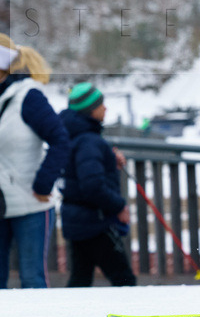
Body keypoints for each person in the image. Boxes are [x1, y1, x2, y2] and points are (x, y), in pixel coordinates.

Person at [0, 36, 69, 289]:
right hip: (1, 202)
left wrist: (43, 185)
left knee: (32, 280)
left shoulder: (28, 97)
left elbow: (60, 140)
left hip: (31, 204)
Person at [59, 82, 137, 287]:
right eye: (101, 104)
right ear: (89, 109)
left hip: (77, 219)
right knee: (124, 280)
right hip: (96, 221)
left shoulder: (73, 135)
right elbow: (92, 184)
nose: (106, 108)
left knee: (80, 280)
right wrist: (119, 205)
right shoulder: (90, 141)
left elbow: (80, 171)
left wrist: (109, 160)